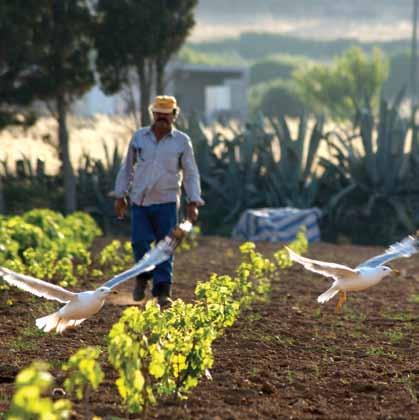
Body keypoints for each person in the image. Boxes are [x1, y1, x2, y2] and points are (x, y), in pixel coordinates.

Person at [113, 95, 204, 307]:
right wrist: (120, 195)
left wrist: (194, 202)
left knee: (165, 247)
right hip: (140, 201)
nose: (162, 118)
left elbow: (191, 174)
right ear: (153, 114)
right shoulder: (139, 138)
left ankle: (163, 291)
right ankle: (143, 278)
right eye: (158, 114)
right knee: (139, 242)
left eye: (166, 114)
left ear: (174, 116)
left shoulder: (182, 141)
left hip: (167, 200)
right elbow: (127, 168)